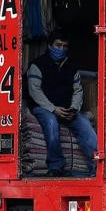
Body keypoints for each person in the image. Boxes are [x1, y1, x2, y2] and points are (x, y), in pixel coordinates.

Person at [27, 31, 97, 177]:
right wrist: (53, 109)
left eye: (64, 46)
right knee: (51, 123)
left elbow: (78, 91)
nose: (61, 49)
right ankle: (55, 166)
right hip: (44, 108)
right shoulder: (37, 65)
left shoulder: (72, 67)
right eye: (58, 45)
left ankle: (96, 167)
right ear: (49, 45)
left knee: (86, 127)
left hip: (67, 109)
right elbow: (35, 91)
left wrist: (74, 108)